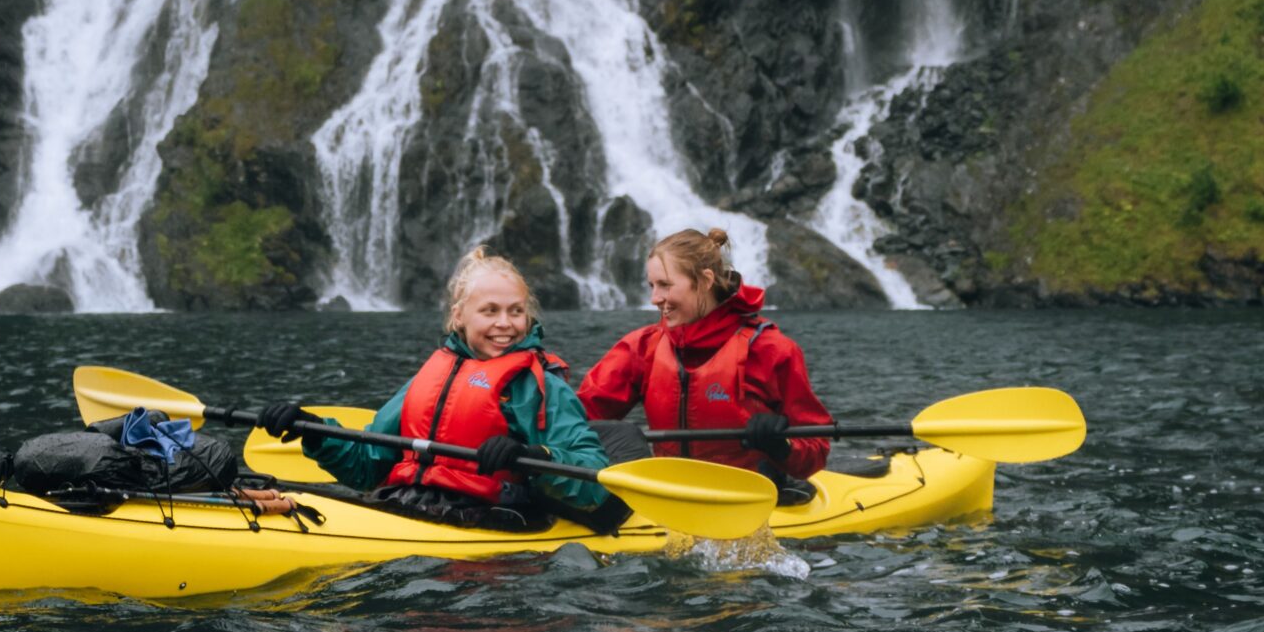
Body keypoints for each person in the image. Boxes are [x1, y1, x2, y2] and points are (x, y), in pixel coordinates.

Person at [257, 247, 621, 531]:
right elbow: (368, 467)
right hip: (402, 502)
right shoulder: (432, 376)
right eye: (490, 311)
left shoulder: (541, 387)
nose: (505, 324)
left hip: (490, 519)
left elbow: (593, 479)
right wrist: (313, 430)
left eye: (516, 311)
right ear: (459, 315)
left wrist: (533, 456)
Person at [577, 225, 832, 493]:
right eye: (652, 286)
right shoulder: (641, 347)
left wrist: (783, 446)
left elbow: (816, 450)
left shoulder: (770, 350)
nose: (654, 298)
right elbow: (578, 418)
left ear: (705, 280)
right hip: (669, 496)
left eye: (665, 285)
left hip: (749, 498)